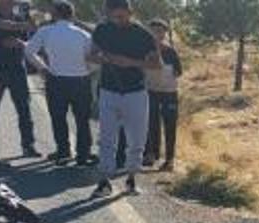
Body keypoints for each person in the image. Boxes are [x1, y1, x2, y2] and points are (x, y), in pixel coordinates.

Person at [89, 0, 159, 197]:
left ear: (130, 12)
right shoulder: (102, 30)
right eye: (114, 17)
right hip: (108, 91)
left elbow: (157, 65)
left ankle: (131, 179)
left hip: (136, 92)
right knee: (106, 138)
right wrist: (105, 59)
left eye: (122, 16)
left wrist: (131, 63)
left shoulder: (144, 35)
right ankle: (104, 182)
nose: (118, 20)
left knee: (136, 139)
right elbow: (91, 55)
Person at [25, 1, 94, 165]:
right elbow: (93, 58)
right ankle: (83, 154)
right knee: (82, 119)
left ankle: (63, 151)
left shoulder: (46, 31)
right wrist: (88, 70)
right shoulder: (83, 34)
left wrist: (42, 68)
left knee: (58, 117)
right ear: (72, 15)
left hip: (56, 78)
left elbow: (29, 51)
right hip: (81, 80)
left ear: (55, 14)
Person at [0, 0, 38, 157]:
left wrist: (23, 38)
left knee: (24, 108)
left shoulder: (19, 16)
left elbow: (29, 37)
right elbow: (7, 28)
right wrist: (25, 27)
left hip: (17, 67)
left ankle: (28, 145)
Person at [143, 19, 180, 171]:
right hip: (150, 91)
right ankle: (151, 154)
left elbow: (178, 72)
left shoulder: (171, 52)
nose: (156, 34)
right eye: (153, 31)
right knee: (150, 123)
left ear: (165, 33)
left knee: (170, 126)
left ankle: (169, 159)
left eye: (160, 31)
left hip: (169, 93)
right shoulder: (144, 50)